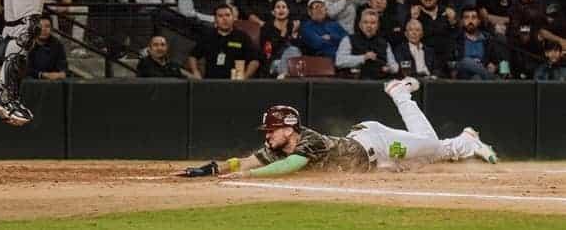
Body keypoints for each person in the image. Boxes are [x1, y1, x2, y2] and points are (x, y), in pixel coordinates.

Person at [177, 79, 497, 179]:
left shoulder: (309, 140)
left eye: (272, 129)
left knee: (430, 145)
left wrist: (245, 177)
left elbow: (291, 165)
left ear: (290, 129)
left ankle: (402, 94)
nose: (267, 135)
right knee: (429, 155)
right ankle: (466, 142)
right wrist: (211, 170)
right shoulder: (279, 146)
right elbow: (245, 160)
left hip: (378, 143)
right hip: (375, 165)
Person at [188, 4, 261, 79]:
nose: (224, 19)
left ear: (233, 18)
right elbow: (193, 56)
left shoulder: (242, 37)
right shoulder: (208, 37)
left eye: (227, 15)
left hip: (235, 84)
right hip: (211, 83)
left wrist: (245, 77)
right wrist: (195, 72)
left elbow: (254, 61)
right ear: (215, 19)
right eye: (220, 16)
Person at [336, 8, 398, 79]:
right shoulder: (348, 40)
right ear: (360, 25)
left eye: (373, 23)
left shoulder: (385, 43)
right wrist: (363, 57)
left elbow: (395, 66)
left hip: (379, 82)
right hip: (356, 82)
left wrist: (390, 68)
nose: (369, 26)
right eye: (365, 22)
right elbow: (339, 61)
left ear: (377, 26)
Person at [259, 0, 302, 77]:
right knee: (289, 54)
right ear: (273, 12)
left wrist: (294, 34)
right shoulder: (267, 28)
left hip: (291, 62)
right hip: (273, 62)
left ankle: (284, 75)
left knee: (293, 50)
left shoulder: (293, 26)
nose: (281, 10)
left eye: (284, 7)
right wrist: (282, 34)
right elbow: (268, 52)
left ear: (288, 11)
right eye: (278, 7)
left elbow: (300, 49)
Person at [26, 15, 67, 80]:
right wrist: (42, 75)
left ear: (51, 29)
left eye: (47, 26)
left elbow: (63, 68)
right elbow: (27, 69)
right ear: (35, 28)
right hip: (32, 82)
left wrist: (61, 73)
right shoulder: (28, 43)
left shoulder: (57, 44)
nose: (43, 29)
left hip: (52, 83)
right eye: (40, 27)